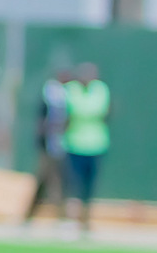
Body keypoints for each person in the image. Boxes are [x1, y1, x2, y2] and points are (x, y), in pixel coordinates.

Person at [61, 62, 110, 234]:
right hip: (74, 143)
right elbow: (72, 111)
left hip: (96, 144)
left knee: (89, 185)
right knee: (72, 183)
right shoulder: (71, 90)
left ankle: (85, 219)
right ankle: (70, 218)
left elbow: (100, 111)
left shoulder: (101, 90)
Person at [24, 66, 72, 223]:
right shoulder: (52, 93)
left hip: (59, 145)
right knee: (53, 181)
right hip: (49, 146)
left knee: (49, 180)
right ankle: (60, 216)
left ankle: (30, 215)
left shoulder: (66, 93)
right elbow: (44, 121)